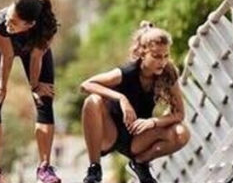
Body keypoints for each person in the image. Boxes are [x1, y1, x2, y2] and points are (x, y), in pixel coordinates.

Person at [79, 22, 191, 183]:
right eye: (156, 56)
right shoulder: (127, 72)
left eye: (166, 56)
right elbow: (86, 85)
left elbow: (179, 114)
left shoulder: (168, 74)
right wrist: (121, 98)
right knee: (92, 100)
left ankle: (140, 163)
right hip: (110, 133)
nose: (162, 61)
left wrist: (153, 122)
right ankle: (94, 169)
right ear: (142, 54)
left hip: (137, 138)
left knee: (182, 133)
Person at [0, 0, 61, 183]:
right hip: (0, 47)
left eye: (14, 22)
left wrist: (35, 86)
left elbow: (36, 58)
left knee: (44, 98)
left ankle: (44, 168)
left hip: (33, 52)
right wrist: (2, 87)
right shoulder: (0, 22)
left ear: (29, 25)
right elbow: (7, 57)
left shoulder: (46, 28)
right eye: (9, 17)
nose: (8, 23)